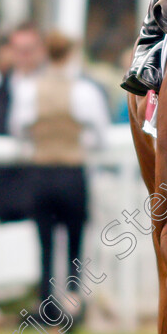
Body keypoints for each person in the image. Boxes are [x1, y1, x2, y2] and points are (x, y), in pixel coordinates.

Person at [10, 30, 110, 315]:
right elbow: (100, 135)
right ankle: (73, 300)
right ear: (71, 54)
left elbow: (18, 130)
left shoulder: (29, 89)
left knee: (44, 242)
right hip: (71, 171)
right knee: (75, 241)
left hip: (40, 172)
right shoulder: (85, 91)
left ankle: (46, 301)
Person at [0, 23, 48, 222]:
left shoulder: (59, 89)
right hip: (7, 197)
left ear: (42, 50)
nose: (24, 55)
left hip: (47, 193)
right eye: (19, 50)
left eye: (30, 49)